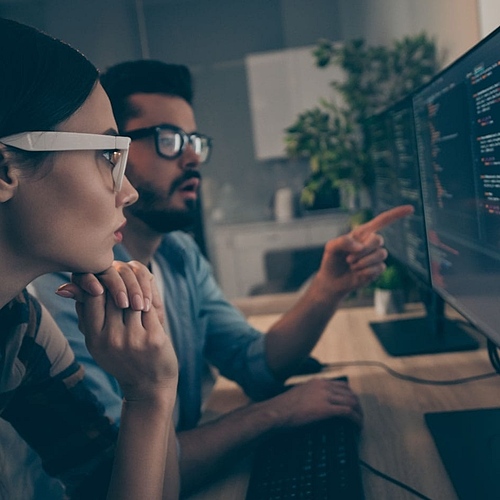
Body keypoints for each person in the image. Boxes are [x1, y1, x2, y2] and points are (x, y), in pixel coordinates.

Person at [31, 59, 413, 496]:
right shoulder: (68, 292)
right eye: (170, 140)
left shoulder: (178, 256)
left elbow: (255, 363)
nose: (193, 156)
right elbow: (118, 476)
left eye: (194, 141)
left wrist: (327, 288)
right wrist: (274, 414)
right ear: (113, 151)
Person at [0, 20, 179, 500]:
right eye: (106, 154)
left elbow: (116, 488)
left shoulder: (18, 324)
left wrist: (149, 391)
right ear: (3, 168)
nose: (129, 191)